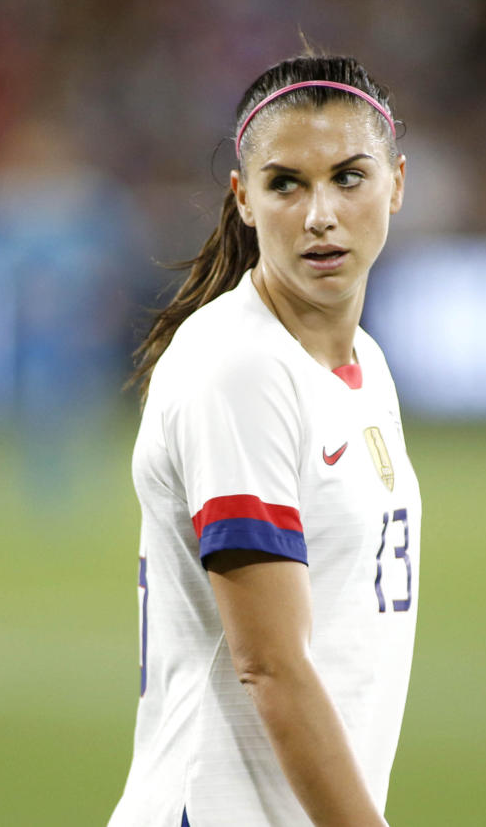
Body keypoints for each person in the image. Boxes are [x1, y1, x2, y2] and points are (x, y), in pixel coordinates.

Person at [108, 53, 420, 827]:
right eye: (287, 183)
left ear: (398, 184)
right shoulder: (240, 370)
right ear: (244, 200)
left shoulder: (363, 365)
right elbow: (271, 665)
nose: (320, 213)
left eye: (350, 176)